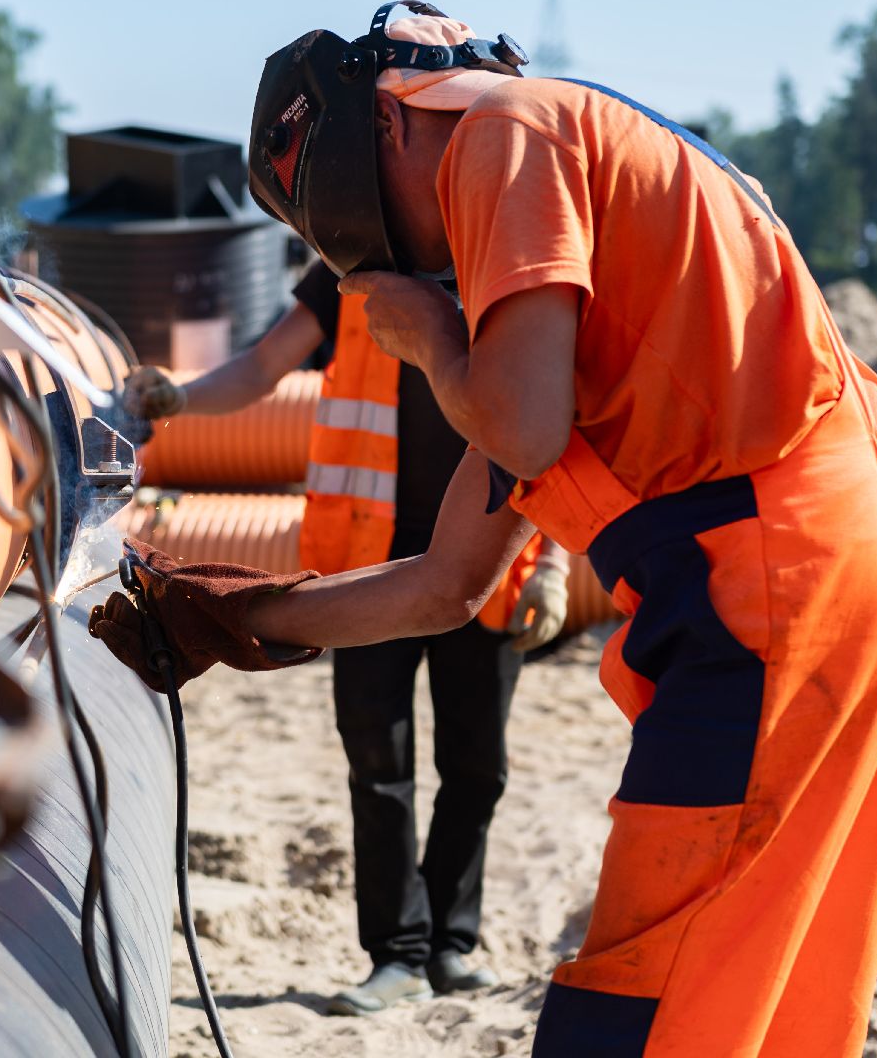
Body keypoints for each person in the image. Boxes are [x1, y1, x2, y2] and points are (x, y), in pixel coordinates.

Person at [91, 0, 877, 1057]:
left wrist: (437, 348)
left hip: (769, 601)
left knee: (635, 1015)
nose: (368, 261)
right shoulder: (576, 218)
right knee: (755, 1005)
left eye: (349, 223)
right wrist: (240, 617)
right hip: (825, 583)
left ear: (386, 126)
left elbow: (523, 436)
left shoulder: (506, 134)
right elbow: (443, 584)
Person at [123, 263, 571, 1013]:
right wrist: (182, 397)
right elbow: (266, 364)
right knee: (378, 758)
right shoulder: (353, 262)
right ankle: (396, 954)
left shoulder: (506, 253)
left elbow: (552, 423)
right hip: (372, 567)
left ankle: (450, 947)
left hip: (491, 565)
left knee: (476, 764)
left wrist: (553, 565)